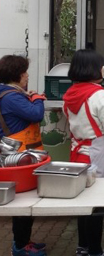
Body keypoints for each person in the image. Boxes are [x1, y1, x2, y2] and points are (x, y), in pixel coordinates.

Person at [62, 49, 104, 256]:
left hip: (78, 155)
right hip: (97, 156)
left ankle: (82, 246)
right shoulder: (102, 96)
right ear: (94, 69)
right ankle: (94, 251)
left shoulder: (70, 95)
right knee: (96, 206)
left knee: (82, 204)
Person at [0, 55, 47, 256]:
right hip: (19, 157)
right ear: (20, 75)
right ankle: (20, 246)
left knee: (24, 201)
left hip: (20, 155)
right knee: (23, 203)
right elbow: (36, 114)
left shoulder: (9, 94)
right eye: (26, 72)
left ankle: (23, 242)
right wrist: (38, 98)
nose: (28, 75)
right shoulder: (12, 97)